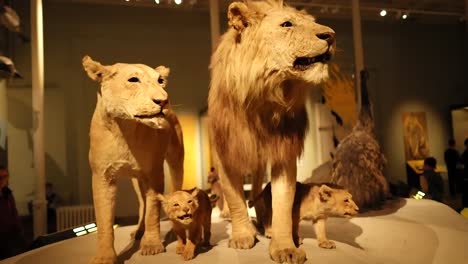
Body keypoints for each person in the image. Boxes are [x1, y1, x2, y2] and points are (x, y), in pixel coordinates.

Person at [0, 165, 24, 259]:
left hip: (9, 236)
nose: (2, 180)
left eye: (5, 176)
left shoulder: (8, 194)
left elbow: (14, 212)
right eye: (0, 177)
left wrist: (18, 229)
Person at [461, 138, 468, 207]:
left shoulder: (465, 153)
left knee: (466, 191)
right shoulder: (465, 153)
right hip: (466, 174)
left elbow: (461, 161)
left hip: (466, 174)